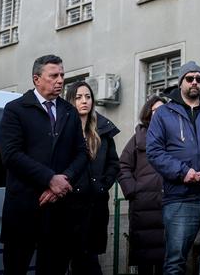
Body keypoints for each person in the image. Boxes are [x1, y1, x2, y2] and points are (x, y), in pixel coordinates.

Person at [0, 54, 88, 275]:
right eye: (53, 76)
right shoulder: (16, 109)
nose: (60, 80)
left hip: (59, 210)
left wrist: (63, 180)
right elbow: (10, 154)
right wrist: (49, 178)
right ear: (36, 79)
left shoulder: (69, 112)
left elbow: (82, 153)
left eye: (62, 75)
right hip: (24, 208)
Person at [146, 61, 200, 275]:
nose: (194, 82)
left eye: (199, 79)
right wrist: (183, 172)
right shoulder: (163, 113)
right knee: (175, 262)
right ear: (181, 81)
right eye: (189, 78)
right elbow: (154, 152)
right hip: (180, 198)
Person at [65, 82, 121, 275]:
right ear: (71, 101)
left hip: (94, 205)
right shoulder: (62, 129)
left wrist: (102, 185)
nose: (84, 101)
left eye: (88, 97)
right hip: (67, 206)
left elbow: (114, 163)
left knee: (89, 261)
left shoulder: (103, 130)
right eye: (79, 97)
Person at [119, 96, 166, 275]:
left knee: (168, 261)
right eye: (156, 111)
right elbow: (123, 165)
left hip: (167, 204)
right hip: (143, 207)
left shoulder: (174, 135)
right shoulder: (139, 136)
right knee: (145, 263)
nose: (160, 114)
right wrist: (132, 190)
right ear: (148, 114)